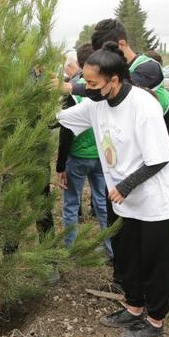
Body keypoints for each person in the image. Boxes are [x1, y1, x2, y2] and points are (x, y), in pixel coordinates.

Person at [58, 42, 169, 337]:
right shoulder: (97, 103)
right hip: (124, 200)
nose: (87, 88)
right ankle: (132, 306)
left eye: (92, 83)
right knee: (128, 257)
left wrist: (125, 186)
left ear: (114, 81)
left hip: (155, 199)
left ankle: (155, 322)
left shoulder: (143, 106)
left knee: (155, 261)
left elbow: (158, 158)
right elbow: (62, 120)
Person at [55, 48, 112, 258]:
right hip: (100, 156)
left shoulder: (74, 94)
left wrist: (60, 165)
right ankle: (111, 248)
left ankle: (69, 249)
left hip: (78, 157)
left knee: (71, 204)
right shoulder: (102, 89)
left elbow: (66, 132)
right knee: (102, 203)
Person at [91, 19, 169, 151]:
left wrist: (72, 87)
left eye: (106, 53)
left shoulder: (148, 67)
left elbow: (114, 88)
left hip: (162, 129)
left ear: (121, 44)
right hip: (136, 129)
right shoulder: (116, 69)